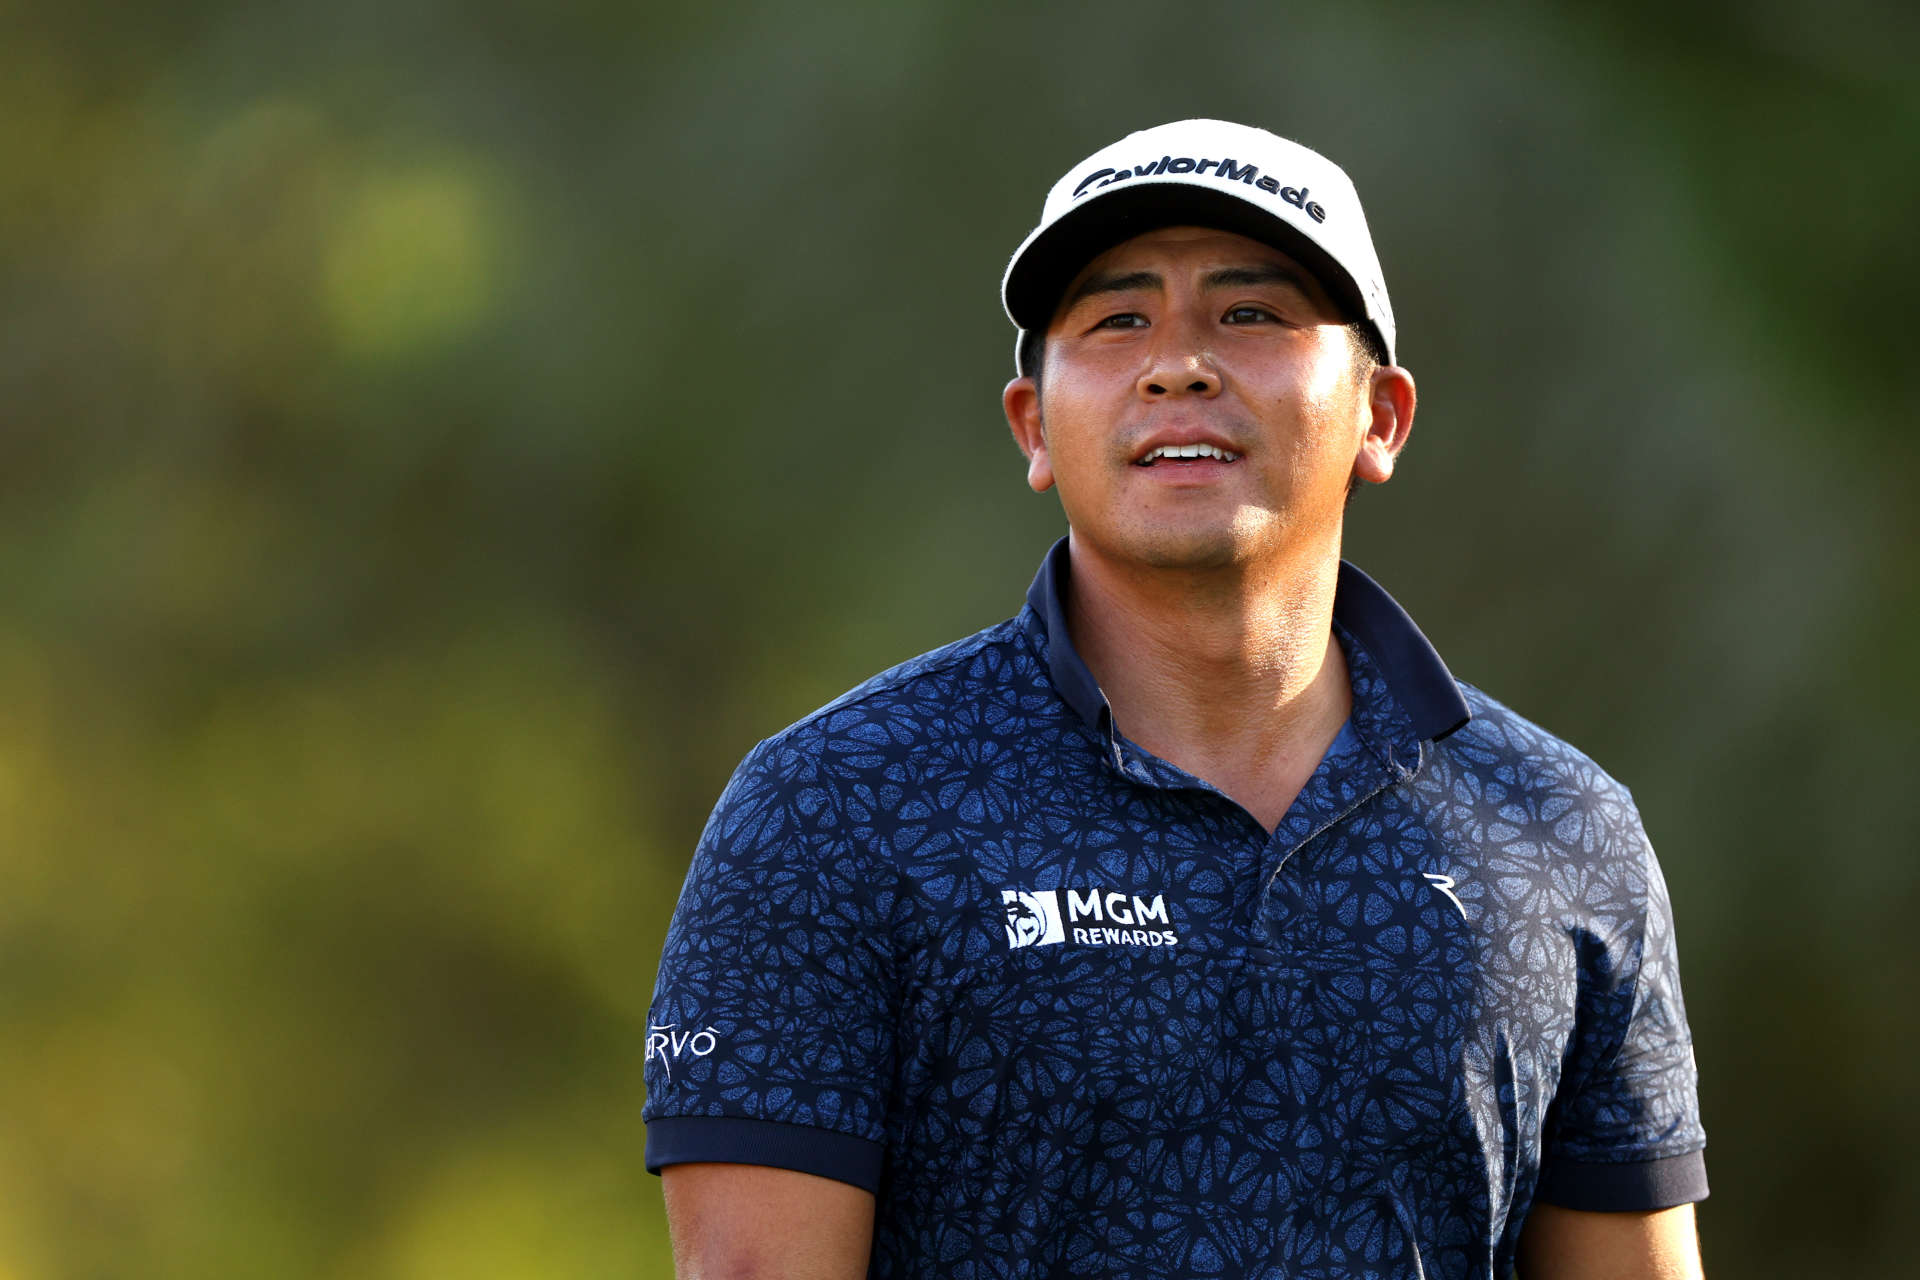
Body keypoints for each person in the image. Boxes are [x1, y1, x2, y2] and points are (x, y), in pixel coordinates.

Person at [641, 119, 1708, 1279]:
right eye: (1116, 321)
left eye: (1251, 314)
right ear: (1034, 424)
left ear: (1382, 415)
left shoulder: (1557, 827)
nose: (1180, 362)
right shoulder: (832, 808)